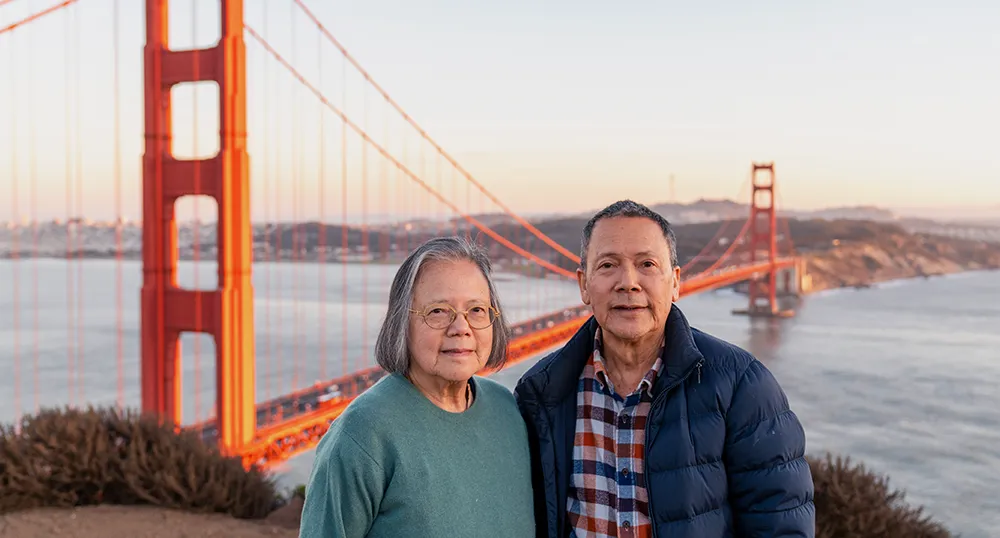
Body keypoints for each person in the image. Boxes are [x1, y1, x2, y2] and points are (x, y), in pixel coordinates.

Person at [514, 200, 815, 537]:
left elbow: (781, 525)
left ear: (675, 282)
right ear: (584, 284)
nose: (628, 282)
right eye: (608, 265)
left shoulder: (743, 387)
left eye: (647, 264)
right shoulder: (540, 393)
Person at [299, 236, 535, 538]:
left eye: (476, 310)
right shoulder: (362, 434)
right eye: (438, 311)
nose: (461, 328)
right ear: (402, 322)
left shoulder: (508, 412)